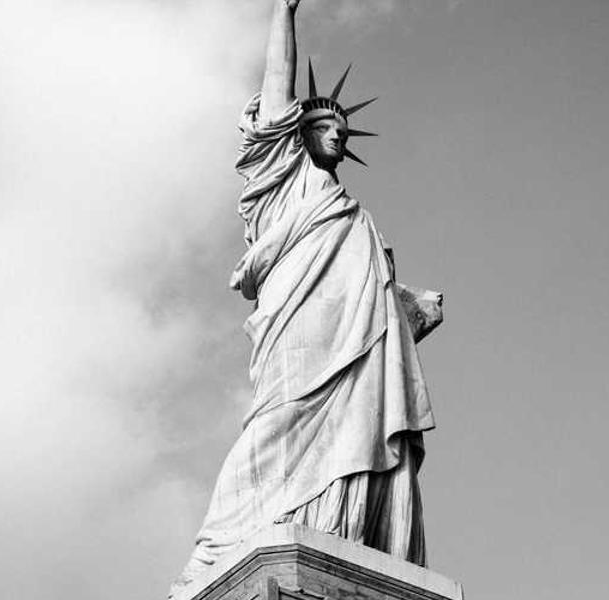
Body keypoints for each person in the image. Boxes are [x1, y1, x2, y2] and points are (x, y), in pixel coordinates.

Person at [169, 0, 436, 595]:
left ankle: (343, 528)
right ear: (295, 136)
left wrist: (407, 308)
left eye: (342, 128)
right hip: (298, 333)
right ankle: (220, 546)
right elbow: (275, 90)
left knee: (358, 428)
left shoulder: (354, 215)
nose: (337, 133)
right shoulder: (286, 185)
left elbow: (366, 289)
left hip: (362, 349)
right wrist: (281, 14)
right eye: (322, 126)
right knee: (276, 425)